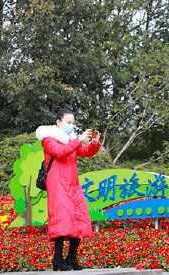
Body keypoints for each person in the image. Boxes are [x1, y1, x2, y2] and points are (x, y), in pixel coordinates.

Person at [36, 106, 102, 271]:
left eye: (73, 122)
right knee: (61, 221)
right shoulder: (49, 139)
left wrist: (94, 143)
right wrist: (78, 139)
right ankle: (57, 259)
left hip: (73, 184)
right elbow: (60, 152)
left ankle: (71, 257)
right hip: (57, 184)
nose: (72, 125)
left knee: (79, 219)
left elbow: (85, 152)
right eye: (68, 122)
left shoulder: (70, 138)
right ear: (58, 122)